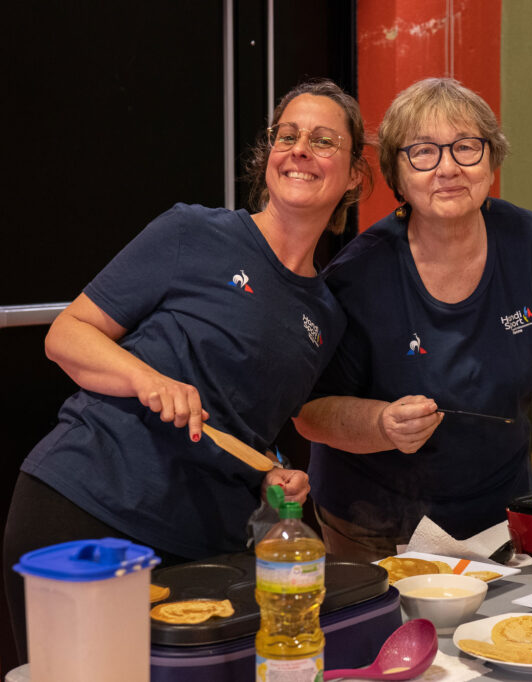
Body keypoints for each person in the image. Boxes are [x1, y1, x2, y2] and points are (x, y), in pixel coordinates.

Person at [3, 78, 370, 663]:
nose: (300, 149)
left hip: (206, 548)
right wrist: (146, 378)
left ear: (353, 174)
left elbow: (248, 425)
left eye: (324, 140)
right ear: (269, 155)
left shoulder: (327, 317)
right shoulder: (192, 233)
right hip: (87, 508)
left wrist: (272, 474)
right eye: (288, 135)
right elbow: (67, 335)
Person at [294, 77, 532, 561]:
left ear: (491, 160)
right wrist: (382, 423)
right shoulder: (356, 277)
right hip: (375, 525)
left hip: (500, 513)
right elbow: (310, 414)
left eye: (466, 148)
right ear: (397, 175)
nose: (448, 168)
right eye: (423, 152)